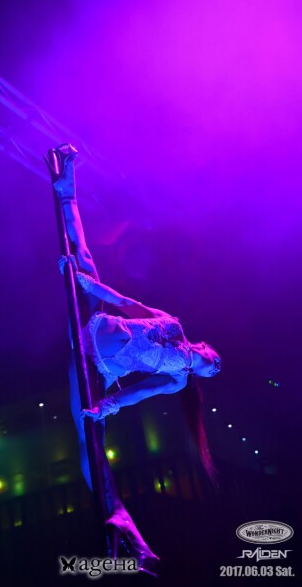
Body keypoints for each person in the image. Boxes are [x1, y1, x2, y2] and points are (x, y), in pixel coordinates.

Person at [45, 144, 221, 574]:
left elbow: (140, 393)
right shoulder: (173, 325)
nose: (212, 361)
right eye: (214, 356)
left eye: (214, 367)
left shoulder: (178, 380)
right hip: (96, 321)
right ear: (205, 347)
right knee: (85, 257)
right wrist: (87, 286)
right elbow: (126, 303)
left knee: (90, 434)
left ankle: (122, 521)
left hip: (97, 366)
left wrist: (108, 404)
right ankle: (67, 188)